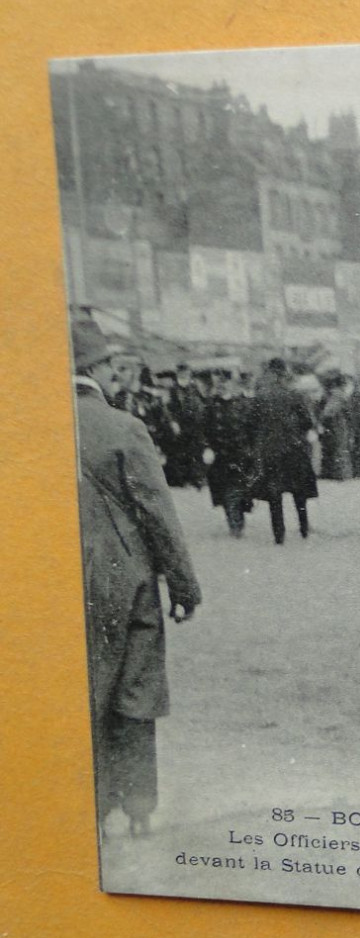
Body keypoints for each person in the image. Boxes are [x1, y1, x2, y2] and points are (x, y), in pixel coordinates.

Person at [72, 314, 201, 838]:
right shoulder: (124, 427)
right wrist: (185, 586)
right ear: (97, 368)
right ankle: (139, 808)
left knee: (82, 689)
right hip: (126, 580)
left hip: (60, 580)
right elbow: (157, 515)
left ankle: (93, 807)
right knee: (135, 686)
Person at [251, 357, 319, 544]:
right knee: (299, 490)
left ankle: (278, 534)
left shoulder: (260, 396)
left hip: (271, 450)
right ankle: (303, 527)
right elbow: (307, 422)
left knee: (274, 492)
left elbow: (252, 424)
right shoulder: (294, 394)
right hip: (293, 448)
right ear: (284, 373)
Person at [202, 364, 255, 537]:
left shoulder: (241, 404)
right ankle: (234, 521)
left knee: (237, 490)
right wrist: (206, 447)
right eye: (219, 383)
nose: (222, 386)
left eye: (225, 383)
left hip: (239, 453)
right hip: (219, 455)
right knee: (224, 490)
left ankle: (236, 521)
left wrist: (251, 449)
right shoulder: (211, 405)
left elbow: (250, 428)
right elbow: (203, 429)